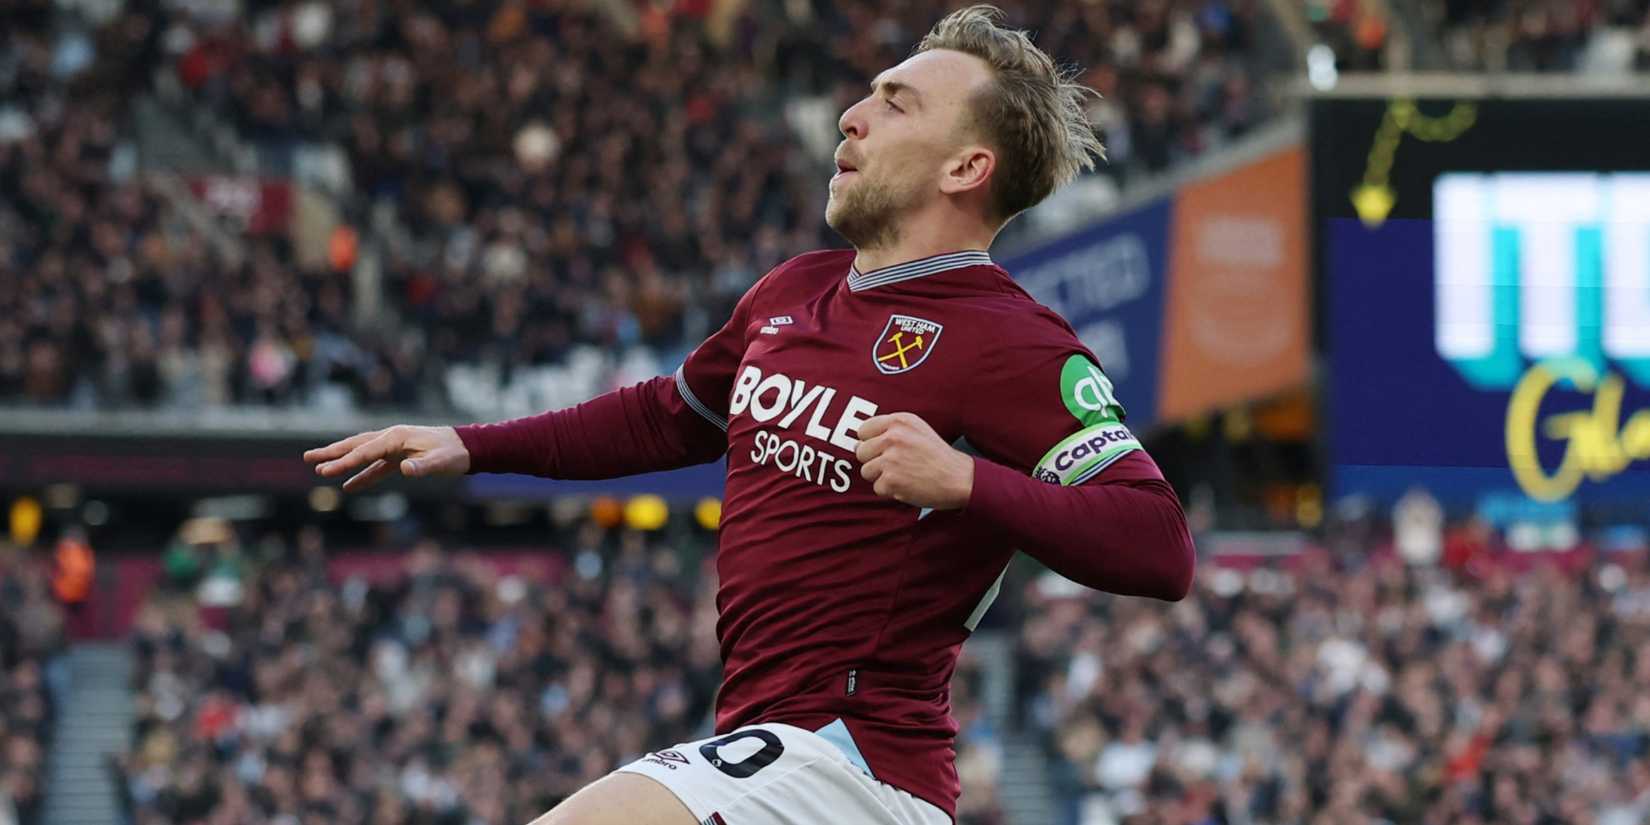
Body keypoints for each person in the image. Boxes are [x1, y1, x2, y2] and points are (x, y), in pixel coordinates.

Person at [305, 7, 1195, 824]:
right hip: (771, 741)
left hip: (851, 764)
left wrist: (967, 481)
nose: (852, 115)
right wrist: (468, 445)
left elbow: (1159, 543)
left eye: (896, 104)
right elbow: (668, 418)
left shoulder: (1015, 342)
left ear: (966, 167)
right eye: (866, 95)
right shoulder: (795, 289)